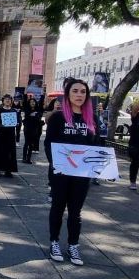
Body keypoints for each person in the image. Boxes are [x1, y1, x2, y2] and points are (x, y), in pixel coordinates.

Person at [44, 78, 98, 266]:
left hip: (82, 175)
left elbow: (97, 146)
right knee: (58, 208)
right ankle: (54, 242)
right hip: (61, 173)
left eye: (83, 92)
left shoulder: (91, 119)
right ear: (68, 94)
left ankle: (73, 245)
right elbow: (48, 144)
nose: (79, 95)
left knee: (76, 211)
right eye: (75, 91)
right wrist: (56, 164)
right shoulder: (58, 118)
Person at [0, 94, 21, 177]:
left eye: (9, 99)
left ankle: (8, 170)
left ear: (11, 101)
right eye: (6, 99)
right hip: (0, 133)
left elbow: (19, 121)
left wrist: (17, 123)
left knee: (10, 152)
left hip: (10, 134)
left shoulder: (14, 111)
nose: (7, 100)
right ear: (3, 101)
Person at [22, 97, 44, 164]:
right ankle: (24, 158)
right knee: (26, 143)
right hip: (27, 128)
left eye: (34, 102)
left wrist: (42, 94)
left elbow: (41, 103)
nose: (32, 103)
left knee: (31, 144)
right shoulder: (27, 109)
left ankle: (28, 159)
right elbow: (24, 101)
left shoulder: (38, 109)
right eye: (31, 102)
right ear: (29, 103)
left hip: (35, 129)